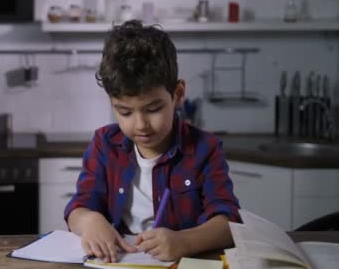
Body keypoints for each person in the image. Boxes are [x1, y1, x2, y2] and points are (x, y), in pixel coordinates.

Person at [64, 20, 240, 262]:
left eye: (154, 108)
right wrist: (89, 220)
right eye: (125, 112)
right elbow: (77, 209)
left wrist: (184, 242)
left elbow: (229, 223)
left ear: (177, 95)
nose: (140, 125)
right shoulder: (104, 143)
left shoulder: (205, 148)